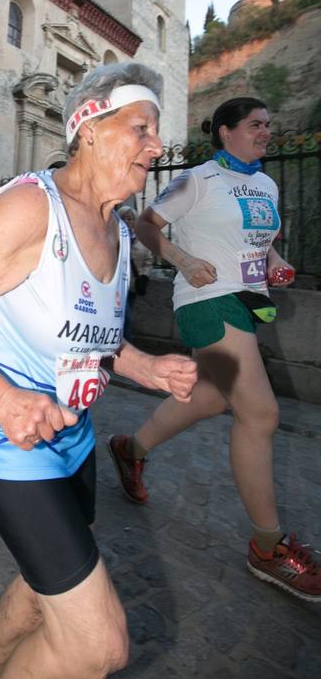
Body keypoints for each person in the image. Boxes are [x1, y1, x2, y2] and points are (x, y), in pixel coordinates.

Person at [0, 65, 198, 679]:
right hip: (6, 441)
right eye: (141, 128)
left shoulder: (116, 227)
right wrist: (4, 401)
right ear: (87, 126)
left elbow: (91, 338)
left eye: (156, 133)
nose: (156, 145)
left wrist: (147, 366)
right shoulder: (33, 207)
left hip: (71, 437)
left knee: (43, 589)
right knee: (100, 647)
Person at [108, 97, 321, 603]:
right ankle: (268, 547)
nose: (266, 132)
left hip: (248, 302)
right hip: (205, 300)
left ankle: (129, 449)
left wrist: (274, 259)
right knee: (261, 413)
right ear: (226, 132)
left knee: (207, 398)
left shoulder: (265, 182)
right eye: (256, 125)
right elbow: (145, 225)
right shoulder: (197, 178)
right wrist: (182, 259)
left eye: (270, 124)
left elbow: (259, 237)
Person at [116, 204, 153, 342]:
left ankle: (125, 342)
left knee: (127, 314)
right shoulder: (113, 236)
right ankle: (124, 341)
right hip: (116, 284)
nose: (127, 221)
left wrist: (144, 275)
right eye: (124, 218)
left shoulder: (141, 239)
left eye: (130, 219)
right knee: (124, 316)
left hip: (133, 284)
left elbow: (148, 259)